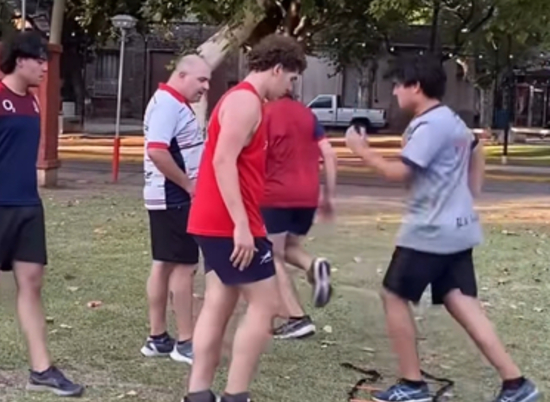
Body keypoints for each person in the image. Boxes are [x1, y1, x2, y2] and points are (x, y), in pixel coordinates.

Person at [345, 56, 540, 402]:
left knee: (393, 295)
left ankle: (412, 384)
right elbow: (476, 148)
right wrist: (469, 194)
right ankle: (516, 383)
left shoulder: (432, 125)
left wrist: (362, 151)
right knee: (459, 300)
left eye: (397, 85)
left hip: (431, 231)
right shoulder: (449, 120)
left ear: (415, 87)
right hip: (456, 229)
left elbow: (401, 173)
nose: (393, 92)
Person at [0, 30, 83, 397]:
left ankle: (42, 368)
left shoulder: (35, 102)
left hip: (27, 207)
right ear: (19, 59)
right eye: (39, 60)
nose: (43, 67)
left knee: (32, 284)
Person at [184, 34, 307, 402]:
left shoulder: (246, 101)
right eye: (290, 80)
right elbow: (222, 161)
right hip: (227, 222)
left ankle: (199, 393)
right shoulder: (244, 102)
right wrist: (241, 225)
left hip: (221, 218)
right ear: (277, 68)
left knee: (219, 301)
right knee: (266, 304)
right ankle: (236, 395)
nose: (289, 88)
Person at [140, 54, 210, 364]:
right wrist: (188, 185)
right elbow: (157, 150)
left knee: (164, 263)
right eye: (201, 80)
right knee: (184, 266)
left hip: (167, 196)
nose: (205, 87)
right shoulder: (168, 104)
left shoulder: (171, 103)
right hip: (174, 197)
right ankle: (185, 342)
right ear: (182, 75)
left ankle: (158, 338)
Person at [260, 92, 337, 340]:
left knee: (272, 255)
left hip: (276, 193)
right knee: (289, 245)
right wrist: (329, 195)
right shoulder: (308, 114)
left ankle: (296, 318)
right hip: (308, 194)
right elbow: (330, 154)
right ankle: (312, 265)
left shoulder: (264, 113)